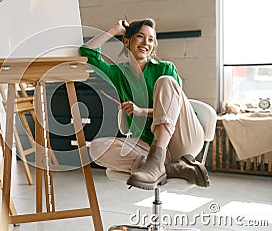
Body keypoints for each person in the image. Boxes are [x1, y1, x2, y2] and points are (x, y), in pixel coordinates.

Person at [80, 18, 209, 190]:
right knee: (97, 148)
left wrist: (141, 111)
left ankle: (156, 163)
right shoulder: (118, 73)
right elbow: (87, 51)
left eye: (150, 39)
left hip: (183, 139)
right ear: (127, 41)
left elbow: (173, 110)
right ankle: (168, 167)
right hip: (148, 143)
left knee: (165, 82)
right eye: (140, 37)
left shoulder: (165, 68)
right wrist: (116, 29)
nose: (145, 43)